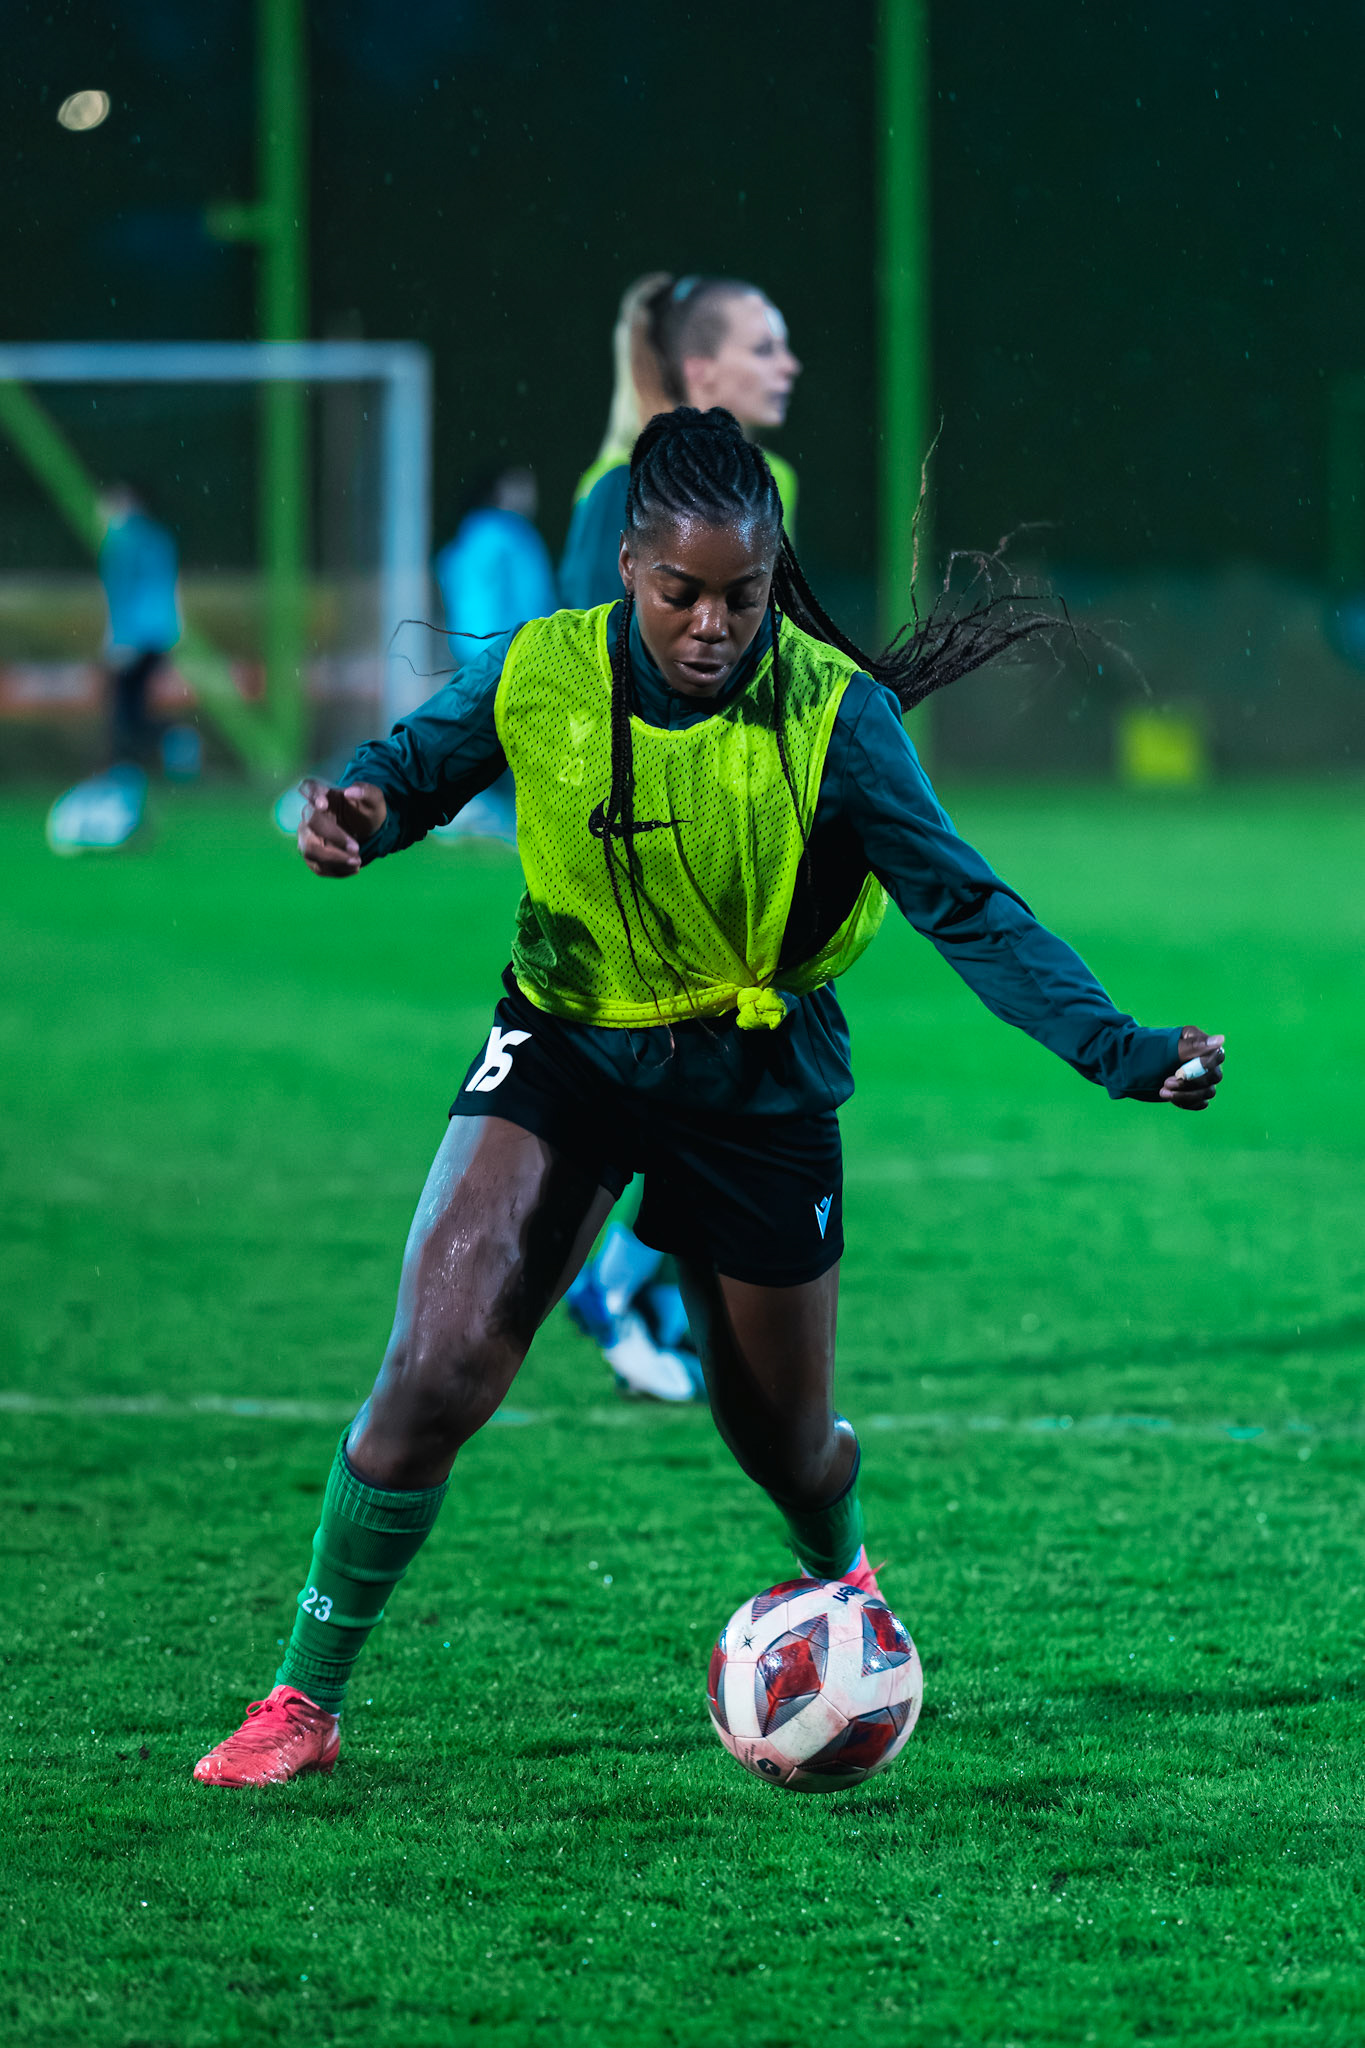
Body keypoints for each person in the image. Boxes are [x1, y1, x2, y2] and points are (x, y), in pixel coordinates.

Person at [192, 407, 1225, 1788]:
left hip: (758, 1080)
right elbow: (411, 771)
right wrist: (359, 812)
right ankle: (300, 1704)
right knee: (433, 1370)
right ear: (628, 563)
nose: (711, 623)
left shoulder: (832, 716)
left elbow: (965, 908)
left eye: (742, 594)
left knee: (781, 1441)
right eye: (681, 591)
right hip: (569, 1044)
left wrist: (1121, 1048)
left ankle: (838, 1575)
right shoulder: (544, 670)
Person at [558, 274, 802, 1393]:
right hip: (643, 863)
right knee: (691, 1084)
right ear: (701, 375)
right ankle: (612, 1274)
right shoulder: (624, 493)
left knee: (726, 1085)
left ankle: (651, 1287)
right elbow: (572, 668)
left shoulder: (770, 484)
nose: (787, 364)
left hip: (741, 860)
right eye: (765, 345)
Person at [558, 275, 801, 611]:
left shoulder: (771, 476)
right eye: (763, 350)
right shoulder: (620, 481)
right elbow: (596, 625)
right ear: (698, 368)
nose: (790, 366)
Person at [46, 484, 195, 855]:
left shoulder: (122, 540)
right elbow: (169, 588)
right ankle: (151, 760)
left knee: (123, 716)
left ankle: (126, 787)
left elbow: (122, 591)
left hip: (133, 637)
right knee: (132, 712)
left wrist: (118, 639)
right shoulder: (159, 537)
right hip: (159, 634)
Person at [430, 465, 558, 845]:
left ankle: (462, 806)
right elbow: (530, 597)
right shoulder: (510, 536)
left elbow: (452, 582)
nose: (530, 497)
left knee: (480, 731)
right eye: (521, 488)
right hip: (508, 650)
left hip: (472, 649)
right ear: (501, 492)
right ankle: (498, 811)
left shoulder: (469, 534)